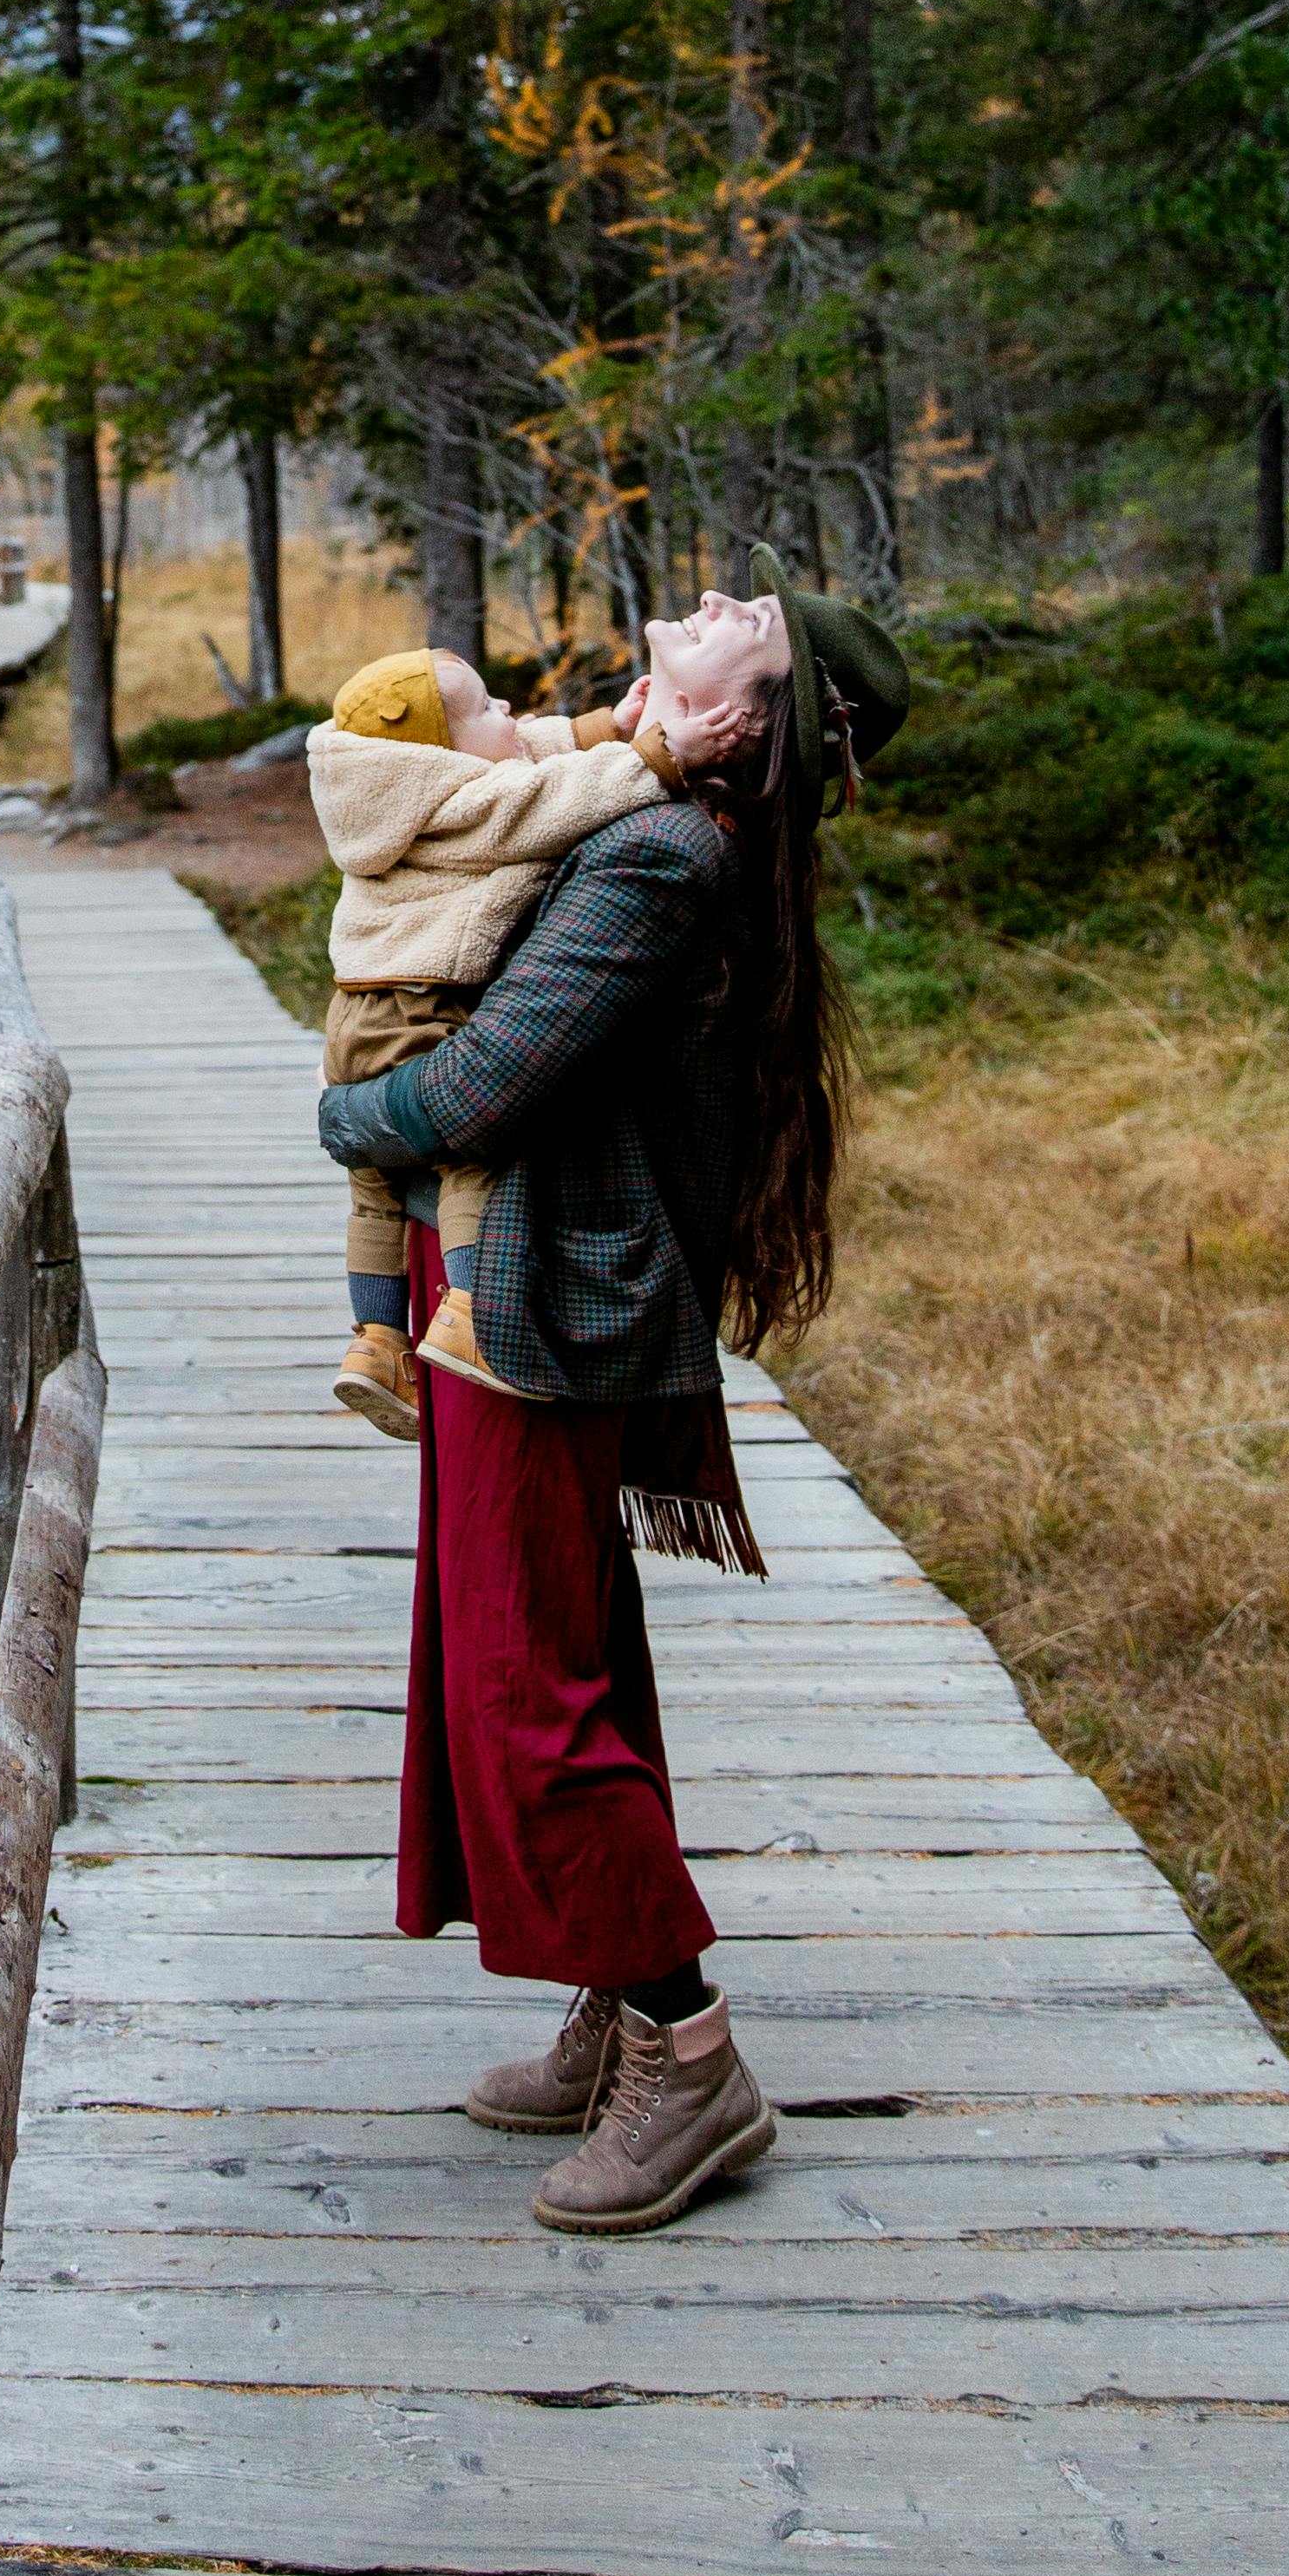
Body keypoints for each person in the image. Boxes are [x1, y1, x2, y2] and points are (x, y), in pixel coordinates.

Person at [317, 547, 909, 2236]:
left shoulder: (655, 857)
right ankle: (607, 1996)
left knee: (524, 1678)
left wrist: (342, 1121)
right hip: (513, 1285)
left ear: (747, 718)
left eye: (748, 628)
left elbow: (485, 1087)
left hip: (534, 1302)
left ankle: (687, 2052)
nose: (711, 605)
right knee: (550, 1642)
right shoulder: (632, 817)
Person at [309, 640, 675, 1435]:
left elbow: (522, 753)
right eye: (486, 706)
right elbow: (541, 801)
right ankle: (470, 1315)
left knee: (373, 1189)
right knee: (468, 1156)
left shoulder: (391, 795)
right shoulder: (467, 809)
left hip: (351, 1023)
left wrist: (604, 722)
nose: (512, 711)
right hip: (423, 1007)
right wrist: (650, 760)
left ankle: (375, 1342)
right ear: (438, 751)